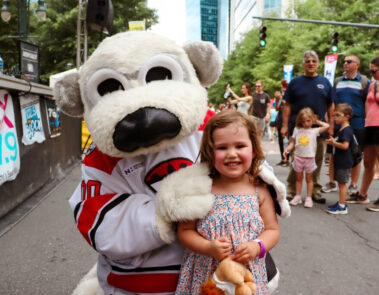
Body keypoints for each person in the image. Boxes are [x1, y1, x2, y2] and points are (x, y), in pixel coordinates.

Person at [175, 111, 280, 295]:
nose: (232, 154)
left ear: (253, 150)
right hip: (205, 275)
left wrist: (258, 246)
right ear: (210, 151)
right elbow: (185, 231)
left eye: (240, 146)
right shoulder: (200, 188)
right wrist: (207, 247)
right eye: (222, 148)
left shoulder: (260, 190)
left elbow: (272, 230)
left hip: (246, 278)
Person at [281, 50, 335, 203]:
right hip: (297, 129)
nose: (311, 63)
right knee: (295, 161)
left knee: (316, 161)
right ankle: (291, 191)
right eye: (308, 61)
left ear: (318, 64)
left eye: (313, 61)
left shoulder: (325, 82)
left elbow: (331, 106)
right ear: (303, 64)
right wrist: (285, 126)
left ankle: (316, 191)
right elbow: (287, 106)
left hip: (318, 131)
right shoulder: (295, 82)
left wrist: (331, 126)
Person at [321, 54, 370, 195]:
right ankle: (332, 182)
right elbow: (332, 103)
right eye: (344, 62)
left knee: (356, 155)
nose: (345, 64)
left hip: (357, 124)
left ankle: (353, 185)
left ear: (357, 64)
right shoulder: (337, 81)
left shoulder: (364, 81)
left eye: (349, 61)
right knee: (332, 153)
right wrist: (330, 122)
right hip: (337, 125)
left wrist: (366, 121)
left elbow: (368, 102)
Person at [347, 56, 379, 212]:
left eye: (374, 70)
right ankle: (362, 194)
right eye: (370, 70)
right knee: (368, 162)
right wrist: (367, 121)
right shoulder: (373, 84)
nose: (371, 73)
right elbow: (368, 103)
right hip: (370, 126)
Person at [283, 108, 329, 208]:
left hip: (309, 159)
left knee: (309, 179)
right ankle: (298, 196)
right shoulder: (297, 130)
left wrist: (316, 121)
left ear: (312, 120)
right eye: (303, 121)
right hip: (298, 158)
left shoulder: (314, 131)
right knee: (299, 179)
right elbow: (293, 143)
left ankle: (308, 198)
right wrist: (287, 150)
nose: (306, 123)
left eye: (308, 121)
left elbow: (327, 126)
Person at [324, 104, 355, 214]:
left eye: (337, 115)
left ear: (347, 116)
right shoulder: (341, 129)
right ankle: (341, 203)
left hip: (344, 162)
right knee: (340, 183)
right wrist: (333, 141)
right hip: (340, 161)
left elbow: (345, 146)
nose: (335, 118)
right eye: (334, 115)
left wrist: (334, 143)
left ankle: (342, 207)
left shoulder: (347, 130)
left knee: (342, 184)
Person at [274, 90, 289, 166]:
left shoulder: (286, 99)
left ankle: (288, 159)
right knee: (280, 141)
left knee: (288, 141)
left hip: (287, 123)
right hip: (280, 122)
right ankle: (283, 159)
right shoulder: (280, 101)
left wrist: (281, 98)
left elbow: (287, 105)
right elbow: (277, 109)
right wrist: (277, 100)